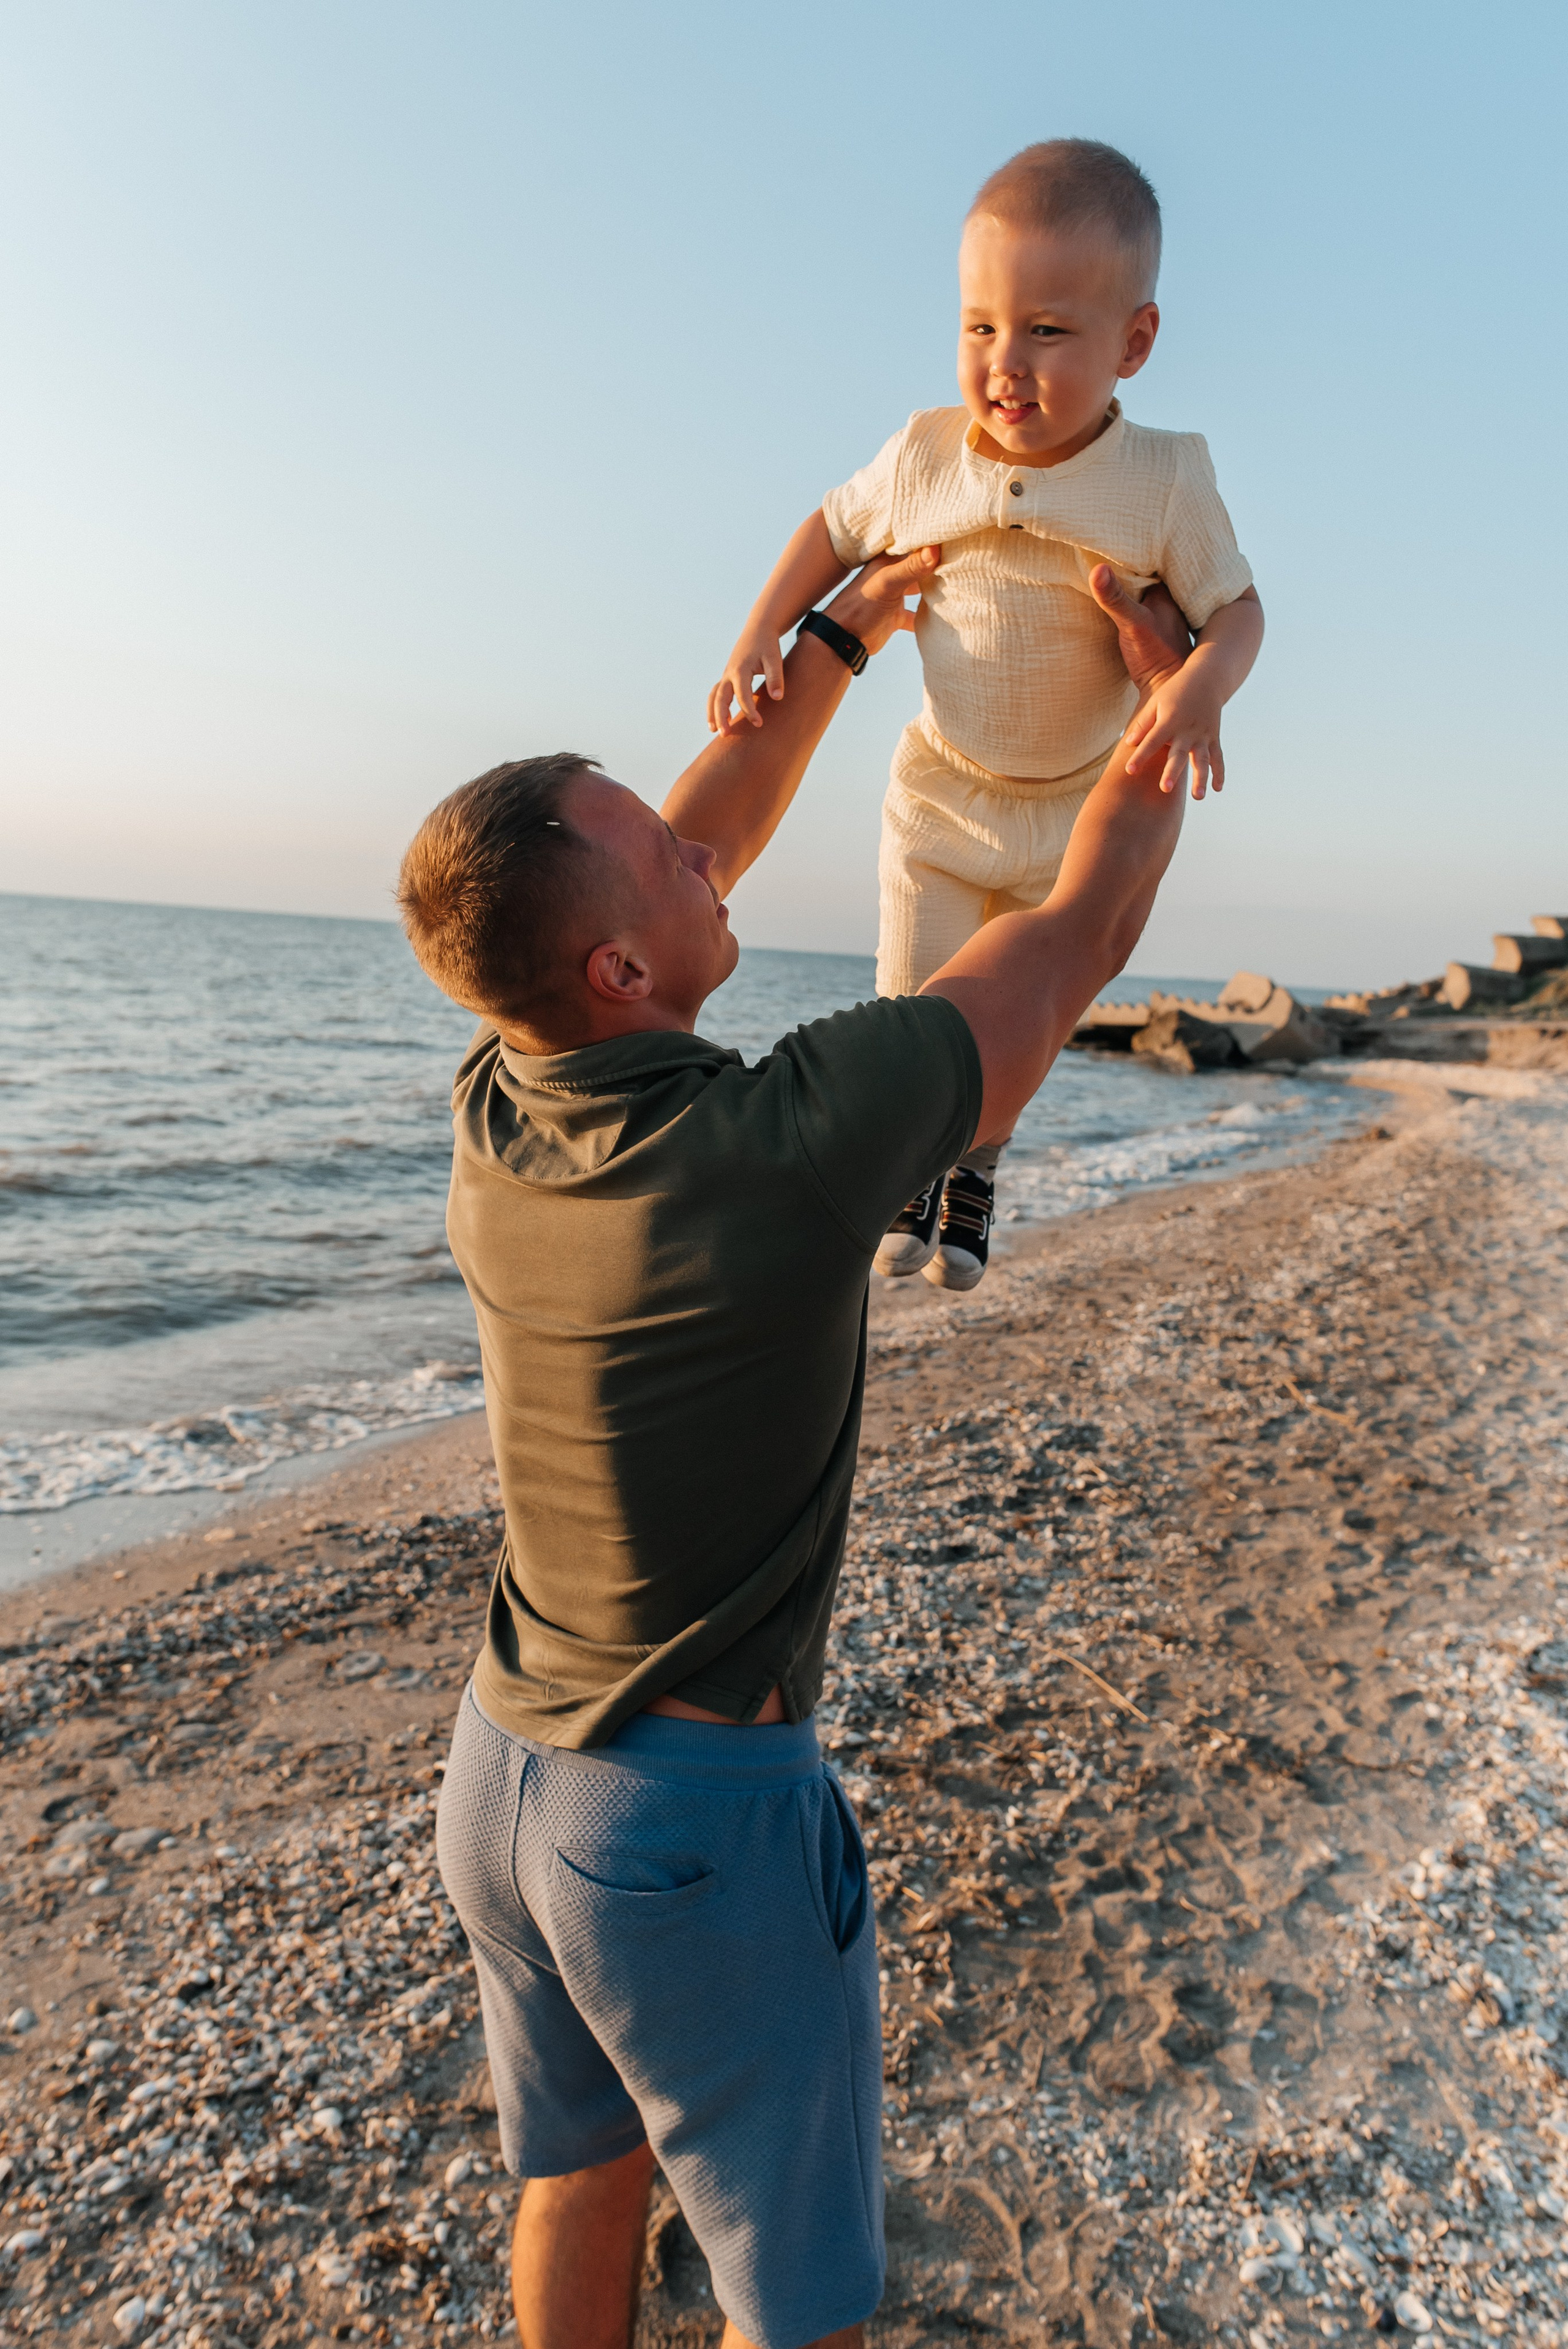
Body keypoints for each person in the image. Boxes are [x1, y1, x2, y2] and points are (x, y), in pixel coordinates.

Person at [400, 551, 1196, 2349]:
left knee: (582, 2170)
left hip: (505, 1776)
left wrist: (842, 643)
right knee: (799, 2296)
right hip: (689, 1829)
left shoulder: (503, 1090)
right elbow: (1070, 938)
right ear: (617, 962)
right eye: (669, 857)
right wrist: (1166, 705)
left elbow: (683, 849)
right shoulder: (789, 1143)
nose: (705, 847)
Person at [709, 139, 1264, 1292]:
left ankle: (976, 1171)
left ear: (1135, 344)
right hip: (944, 797)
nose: (1006, 364)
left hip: (1074, 809)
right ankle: (912, 1177)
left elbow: (1241, 610)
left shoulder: (1163, 480)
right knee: (915, 998)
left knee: (1020, 1019)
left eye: (1049, 331)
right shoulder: (922, 453)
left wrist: (1204, 685)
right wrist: (765, 625)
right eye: (980, 326)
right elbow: (832, 527)